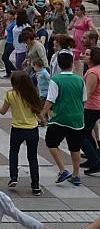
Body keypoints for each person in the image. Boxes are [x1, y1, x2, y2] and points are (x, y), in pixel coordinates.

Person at [0, 71, 43, 195]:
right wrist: (43, 120)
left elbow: (2, 111)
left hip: (17, 128)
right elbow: (39, 113)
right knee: (32, 158)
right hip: (32, 129)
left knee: (13, 152)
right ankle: (35, 186)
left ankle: (13, 177)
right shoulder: (32, 94)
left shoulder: (10, 95)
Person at [40, 51, 86, 186]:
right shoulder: (80, 80)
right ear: (72, 63)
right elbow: (84, 99)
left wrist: (43, 113)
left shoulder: (56, 80)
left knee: (51, 142)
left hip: (60, 117)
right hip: (77, 118)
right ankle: (76, 174)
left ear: (59, 65)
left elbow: (50, 100)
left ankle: (62, 170)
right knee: (75, 147)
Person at [81, 47, 100, 176]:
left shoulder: (92, 72)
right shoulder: (96, 70)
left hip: (91, 106)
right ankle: (93, 157)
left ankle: (95, 161)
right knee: (87, 132)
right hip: (96, 106)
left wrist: (80, 106)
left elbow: (89, 92)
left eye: (87, 55)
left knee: (80, 134)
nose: (84, 56)